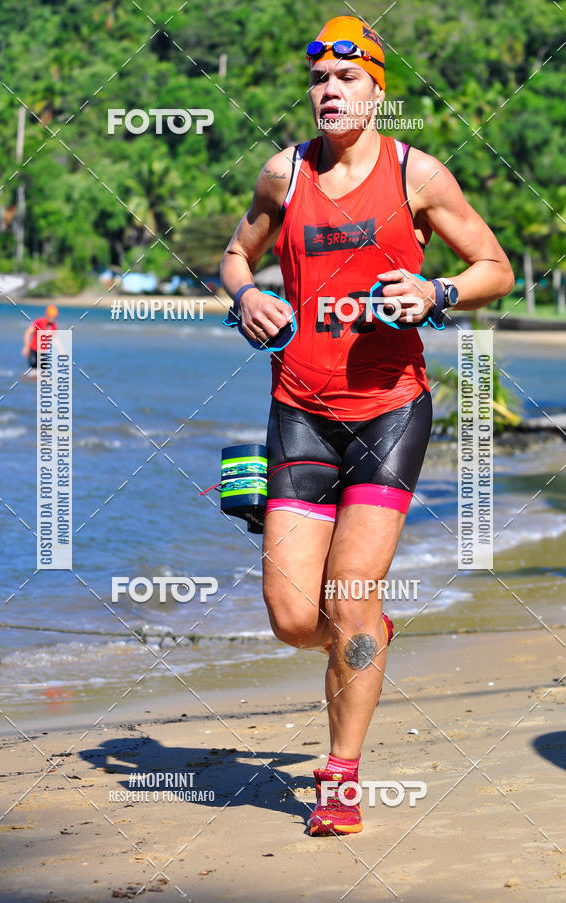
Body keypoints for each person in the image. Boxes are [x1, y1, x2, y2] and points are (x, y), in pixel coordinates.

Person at [220, 15, 514, 836]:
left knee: (349, 595)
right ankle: (366, 633)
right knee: (291, 619)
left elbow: (497, 267)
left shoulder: (419, 177)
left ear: (378, 91)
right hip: (300, 414)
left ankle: (340, 778)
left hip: (390, 412)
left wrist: (439, 293)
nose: (330, 92)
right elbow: (234, 255)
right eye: (319, 81)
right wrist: (246, 296)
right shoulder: (285, 175)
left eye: (347, 79)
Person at [22, 304, 59, 370]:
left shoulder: (53, 326)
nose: (52, 318)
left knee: (44, 373)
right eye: (51, 316)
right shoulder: (39, 322)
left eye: (54, 316)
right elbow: (27, 333)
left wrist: (61, 351)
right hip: (34, 351)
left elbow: (55, 339)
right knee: (34, 371)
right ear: (47, 314)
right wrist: (26, 346)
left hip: (43, 353)